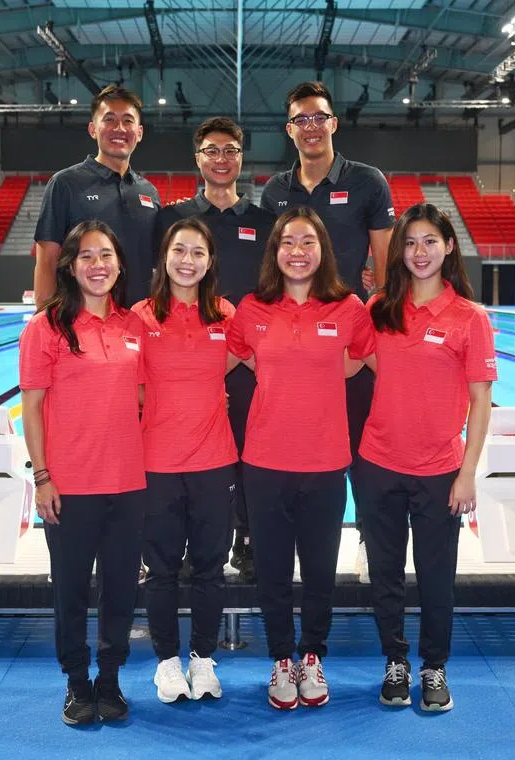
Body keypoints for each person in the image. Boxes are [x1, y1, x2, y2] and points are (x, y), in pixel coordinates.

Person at [227, 207, 375, 710]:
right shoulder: (252, 309)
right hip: (264, 461)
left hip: (326, 461)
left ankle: (312, 655)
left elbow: (361, 362)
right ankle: (281, 660)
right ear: (275, 251)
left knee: (317, 570)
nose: (296, 250)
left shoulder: (349, 308)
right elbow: (235, 356)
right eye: (287, 242)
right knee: (271, 570)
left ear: (322, 250)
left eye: (307, 241)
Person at [355, 203, 496, 712]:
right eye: (410, 242)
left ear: (449, 247)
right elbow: (357, 361)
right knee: (386, 573)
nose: (419, 252)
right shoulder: (380, 309)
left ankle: (434, 666)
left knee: (437, 578)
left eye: (429, 242)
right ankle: (395, 661)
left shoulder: (469, 318)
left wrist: (467, 474)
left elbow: (481, 399)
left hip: (440, 471)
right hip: (377, 465)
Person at [259, 81, 395, 582]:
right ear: (289, 129)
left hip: (350, 333)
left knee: (362, 445)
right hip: (295, 341)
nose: (311, 127)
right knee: (297, 442)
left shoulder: (366, 181)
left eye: (319, 117)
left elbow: (384, 261)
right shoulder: (276, 191)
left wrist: (374, 303)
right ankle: (298, 544)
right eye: (301, 119)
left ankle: (367, 539)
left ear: (333, 123)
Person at [19, 220, 147, 726]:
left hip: (129, 482)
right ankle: (76, 681)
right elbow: (31, 409)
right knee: (70, 590)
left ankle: (110, 680)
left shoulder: (133, 326)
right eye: (87, 257)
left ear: (119, 264)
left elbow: (143, 396)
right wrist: (43, 475)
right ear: (70, 266)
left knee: (119, 589)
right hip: (70, 485)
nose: (98, 265)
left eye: (107, 256)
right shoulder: (46, 327)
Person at [153, 116, 275, 580]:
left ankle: (245, 538)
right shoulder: (173, 218)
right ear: (197, 158)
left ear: (242, 158)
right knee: (190, 453)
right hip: (190, 358)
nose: (221, 159)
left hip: (248, 357)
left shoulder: (264, 222)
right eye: (211, 150)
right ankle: (187, 542)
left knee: (248, 450)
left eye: (230, 150)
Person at [133, 217, 247, 703]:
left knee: (209, 567)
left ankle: (202, 659)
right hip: (156, 463)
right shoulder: (140, 316)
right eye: (180, 250)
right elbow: (134, 387)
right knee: (160, 570)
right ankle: (166, 662)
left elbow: (246, 360)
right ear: (165, 256)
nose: (187, 260)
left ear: (210, 261)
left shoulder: (226, 314)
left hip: (215, 461)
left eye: (198, 252)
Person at [33, 85, 161, 307]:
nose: (119, 128)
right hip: (82, 323)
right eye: (109, 119)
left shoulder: (149, 192)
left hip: (138, 324)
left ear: (139, 133)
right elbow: (47, 261)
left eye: (128, 121)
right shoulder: (65, 184)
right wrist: (44, 322)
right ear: (93, 129)